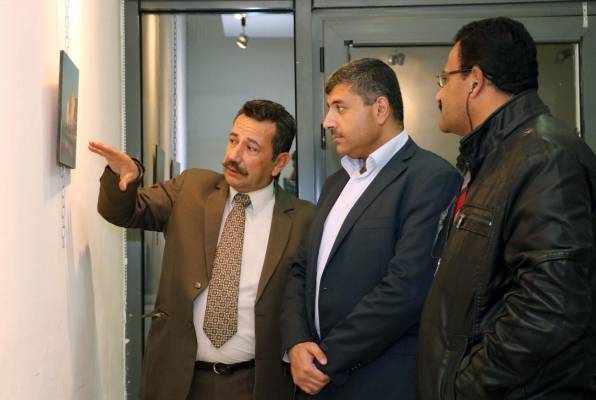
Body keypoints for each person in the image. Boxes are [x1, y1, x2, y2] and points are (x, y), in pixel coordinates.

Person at [417, 17, 596, 400]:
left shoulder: (544, 157)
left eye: (444, 79)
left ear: (475, 81)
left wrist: (466, 384)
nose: (439, 94)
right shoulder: (495, 157)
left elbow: (551, 306)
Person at [90, 100, 315, 400]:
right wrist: (124, 177)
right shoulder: (192, 189)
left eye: (251, 148)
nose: (233, 156)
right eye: (233, 140)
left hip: (254, 384)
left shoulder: (303, 220)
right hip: (178, 381)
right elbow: (125, 212)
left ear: (279, 162)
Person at [281, 58, 460, 399]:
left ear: (380, 109)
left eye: (340, 108)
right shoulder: (336, 183)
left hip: (379, 381)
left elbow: (406, 289)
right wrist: (297, 342)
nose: (327, 121)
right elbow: (302, 269)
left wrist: (326, 359)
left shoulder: (431, 178)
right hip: (314, 378)